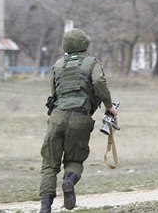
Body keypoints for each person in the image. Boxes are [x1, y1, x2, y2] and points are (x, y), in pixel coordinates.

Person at [39, 28, 118, 213]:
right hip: (80, 117)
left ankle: (45, 207)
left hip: (57, 117)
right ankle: (69, 181)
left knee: (49, 164)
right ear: (85, 45)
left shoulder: (58, 65)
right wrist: (109, 105)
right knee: (74, 160)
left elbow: (54, 93)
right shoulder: (92, 63)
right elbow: (99, 82)